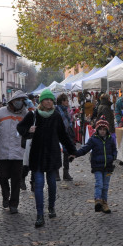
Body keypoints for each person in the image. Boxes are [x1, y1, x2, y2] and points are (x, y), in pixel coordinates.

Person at [17, 88, 76, 228]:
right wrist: (28, 130)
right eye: (46, 100)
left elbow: (63, 135)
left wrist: (73, 150)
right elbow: (20, 128)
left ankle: (51, 207)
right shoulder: (33, 115)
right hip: (37, 154)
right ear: (41, 102)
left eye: (50, 100)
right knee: (38, 184)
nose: (48, 102)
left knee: (52, 184)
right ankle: (39, 214)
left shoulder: (56, 116)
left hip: (52, 154)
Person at [0, 91, 30, 214]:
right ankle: (5, 194)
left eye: (22, 100)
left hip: (19, 151)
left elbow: (33, 126)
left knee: (16, 179)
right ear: (12, 101)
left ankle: (14, 204)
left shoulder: (26, 114)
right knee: (2, 176)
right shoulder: (1, 112)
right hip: (4, 151)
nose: (19, 102)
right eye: (17, 99)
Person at [71, 117, 117, 213]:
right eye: (100, 129)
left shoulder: (110, 139)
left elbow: (114, 149)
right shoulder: (93, 139)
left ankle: (104, 203)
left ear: (107, 130)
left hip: (108, 166)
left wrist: (113, 156)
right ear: (97, 130)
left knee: (105, 186)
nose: (102, 131)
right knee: (99, 184)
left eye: (104, 129)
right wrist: (75, 154)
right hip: (97, 166)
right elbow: (85, 149)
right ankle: (98, 201)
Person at [55, 93, 76, 181]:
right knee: (57, 152)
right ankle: (56, 173)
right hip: (57, 133)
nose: (68, 102)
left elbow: (68, 121)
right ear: (62, 101)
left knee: (67, 153)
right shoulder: (56, 110)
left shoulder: (66, 110)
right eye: (66, 100)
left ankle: (66, 173)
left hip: (66, 133)